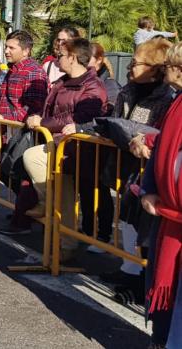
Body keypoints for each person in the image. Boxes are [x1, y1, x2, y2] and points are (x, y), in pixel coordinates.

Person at [90, 38, 175, 299]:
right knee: (126, 216)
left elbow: (161, 136)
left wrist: (142, 140)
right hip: (125, 163)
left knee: (143, 223)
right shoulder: (127, 91)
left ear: (155, 68)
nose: (130, 67)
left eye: (136, 63)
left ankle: (141, 277)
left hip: (149, 170)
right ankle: (130, 268)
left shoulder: (168, 98)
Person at [0, 38, 107, 236]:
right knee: (60, 195)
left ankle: (48, 208)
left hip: (75, 150)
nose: (57, 60)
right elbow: (50, 110)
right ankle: (62, 243)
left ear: (73, 58)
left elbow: (79, 116)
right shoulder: (62, 82)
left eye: (61, 55)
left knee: (36, 163)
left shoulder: (93, 86)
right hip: (57, 144)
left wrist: (43, 122)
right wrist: (40, 119)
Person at [137, 43, 182, 348]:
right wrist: (150, 189)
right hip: (169, 214)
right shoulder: (176, 104)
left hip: (173, 212)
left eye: (171, 65)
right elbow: (165, 145)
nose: (168, 70)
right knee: (166, 286)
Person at [0, 30, 48, 124]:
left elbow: (34, 108)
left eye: (11, 48)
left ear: (26, 51)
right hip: (6, 129)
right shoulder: (12, 70)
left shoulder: (34, 72)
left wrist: (5, 118)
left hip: (20, 130)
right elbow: (4, 100)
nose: (6, 51)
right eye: (6, 47)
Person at [89, 42, 121, 112]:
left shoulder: (111, 86)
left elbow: (110, 111)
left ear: (99, 60)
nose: (82, 61)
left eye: (87, 58)